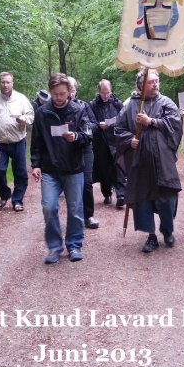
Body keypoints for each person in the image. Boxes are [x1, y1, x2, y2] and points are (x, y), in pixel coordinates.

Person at [115, 70, 182, 252]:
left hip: (162, 161)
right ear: (140, 86)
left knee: (167, 197)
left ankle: (167, 230)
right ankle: (151, 236)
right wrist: (129, 140)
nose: (155, 84)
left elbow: (175, 125)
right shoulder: (130, 106)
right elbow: (119, 129)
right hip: (140, 162)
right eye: (150, 82)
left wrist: (151, 121)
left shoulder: (166, 103)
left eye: (156, 81)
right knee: (143, 198)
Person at [31, 73, 92, 264]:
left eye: (62, 93)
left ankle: (74, 245)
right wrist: (35, 164)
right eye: (55, 94)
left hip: (73, 168)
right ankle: (54, 247)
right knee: (49, 207)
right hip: (50, 169)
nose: (58, 97)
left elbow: (88, 136)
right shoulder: (42, 113)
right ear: (50, 92)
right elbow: (36, 141)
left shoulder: (78, 110)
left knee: (75, 208)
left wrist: (75, 137)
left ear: (69, 92)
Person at [0, 71, 34, 212]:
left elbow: (31, 115)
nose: (5, 85)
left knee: (20, 172)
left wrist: (25, 119)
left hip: (18, 141)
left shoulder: (21, 98)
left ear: (13, 83)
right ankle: (4, 195)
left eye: (8, 82)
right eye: (3, 82)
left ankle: (17, 200)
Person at [68, 76, 99, 229]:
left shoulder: (84, 106)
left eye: (72, 90)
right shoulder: (58, 108)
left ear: (75, 90)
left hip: (85, 147)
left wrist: (86, 128)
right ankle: (73, 218)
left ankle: (89, 215)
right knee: (70, 185)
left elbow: (94, 124)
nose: (70, 93)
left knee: (87, 182)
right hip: (66, 150)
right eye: (67, 90)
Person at [90, 79, 126, 208]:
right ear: (99, 91)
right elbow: (90, 123)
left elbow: (123, 119)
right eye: (103, 93)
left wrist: (115, 123)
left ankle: (121, 195)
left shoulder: (117, 104)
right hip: (100, 141)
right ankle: (107, 194)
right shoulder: (93, 105)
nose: (106, 95)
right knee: (104, 168)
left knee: (119, 167)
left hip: (116, 140)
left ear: (111, 90)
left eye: (108, 92)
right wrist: (98, 126)